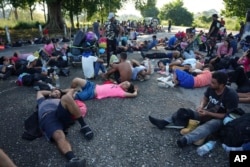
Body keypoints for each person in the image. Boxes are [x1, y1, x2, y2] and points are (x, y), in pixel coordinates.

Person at [149, 71, 239, 148]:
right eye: (211, 82)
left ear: (222, 85)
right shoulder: (211, 88)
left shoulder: (231, 95)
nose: (210, 84)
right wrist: (201, 106)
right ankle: (163, 122)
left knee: (208, 126)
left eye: (213, 83)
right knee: (184, 111)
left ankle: (185, 140)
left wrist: (208, 114)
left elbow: (227, 115)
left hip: (219, 120)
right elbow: (205, 98)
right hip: (207, 113)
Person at [37, 88, 92, 167]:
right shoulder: (42, 101)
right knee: (58, 134)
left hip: (61, 113)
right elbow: (40, 91)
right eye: (56, 93)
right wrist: (52, 91)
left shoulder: (60, 100)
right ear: (50, 94)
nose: (57, 94)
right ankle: (73, 160)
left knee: (66, 97)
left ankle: (84, 126)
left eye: (59, 94)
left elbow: (71, 90)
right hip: (48, 116)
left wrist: (61, 92)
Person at [71, 78, 138, 101]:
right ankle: (71, 90)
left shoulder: (121, 92)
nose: (124, 83)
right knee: (75, 80)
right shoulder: (117, 84)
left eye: (126, 85)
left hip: (91, 93)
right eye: (125, 82)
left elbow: (134, 95)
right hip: (92, 85)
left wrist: (135, 91)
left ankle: (63, 96)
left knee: (72, 97)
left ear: (126, 89)